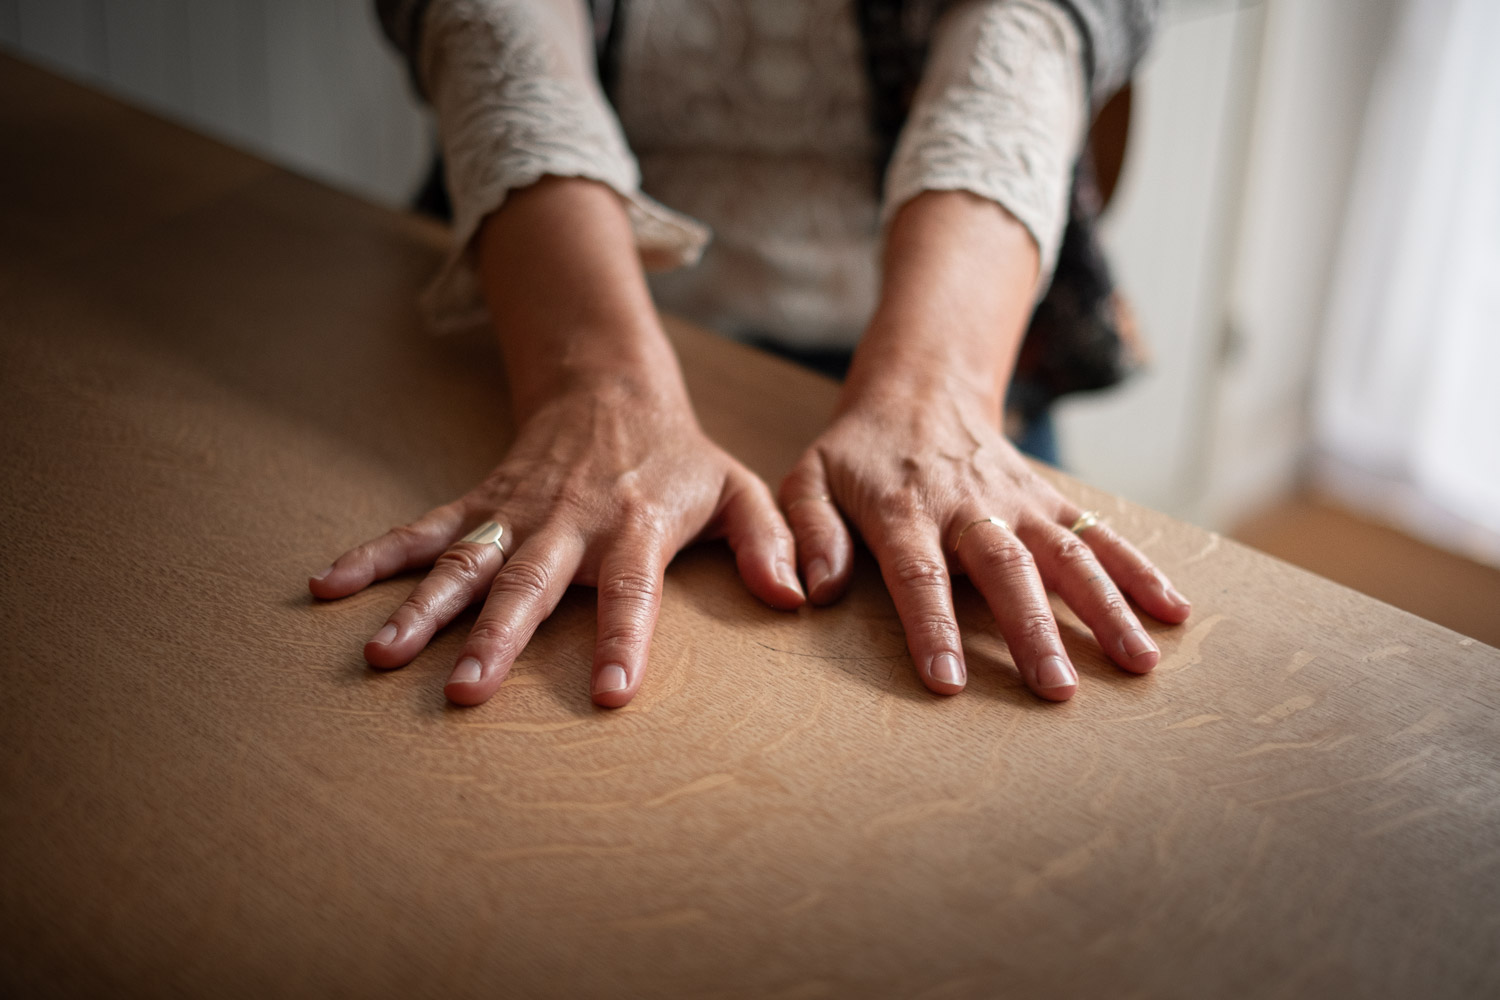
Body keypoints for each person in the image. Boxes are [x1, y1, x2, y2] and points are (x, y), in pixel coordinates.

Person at [309, 0, 1191, 709]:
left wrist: (939, 392)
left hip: (955, 339)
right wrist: (592, 387)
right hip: (561, 306)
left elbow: (1034, 22)